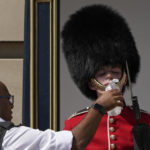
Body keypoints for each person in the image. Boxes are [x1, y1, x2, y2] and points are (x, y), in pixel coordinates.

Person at [61, 4, 150, 150]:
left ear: (124, 79)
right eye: (102, 74)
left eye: (115, 72)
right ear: (91, 84)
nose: (110, 77)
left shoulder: (145, 120)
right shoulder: (75, 123)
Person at [0, 80, 123, 150]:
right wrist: (99, 107)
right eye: (8, 99)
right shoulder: (9, 137)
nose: (11, 105)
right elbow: (74, 142)